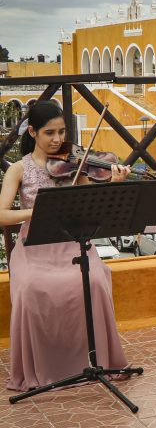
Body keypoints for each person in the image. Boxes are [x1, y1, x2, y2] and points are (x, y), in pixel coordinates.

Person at [2, 101, 132, 391]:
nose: (58, 140)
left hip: (73, 244)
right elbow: (2, 214)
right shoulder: (19, 169)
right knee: (32, 287)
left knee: (96, 280)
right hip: (34, 248)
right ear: (33, 132)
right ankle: (48, 366)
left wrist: (114, 183)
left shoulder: (74, 164)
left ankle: (94, 361)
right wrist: (35, 212)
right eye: (49, 133)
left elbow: (92, 201)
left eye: (62, 132)